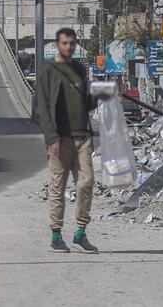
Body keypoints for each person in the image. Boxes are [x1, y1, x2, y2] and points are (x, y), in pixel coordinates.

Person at [34, 28, 105, 253]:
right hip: (60, 139)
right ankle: (56, 235)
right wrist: (51, 136)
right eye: (65, 43)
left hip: (82, 137)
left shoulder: (80, 69)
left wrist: (102, 92)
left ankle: (80, 232)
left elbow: (88, 103)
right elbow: (41, 108)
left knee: (86, 182)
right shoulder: (48, 71)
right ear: (57, 45)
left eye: (72, 43)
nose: (69, 47)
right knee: (58, 187)